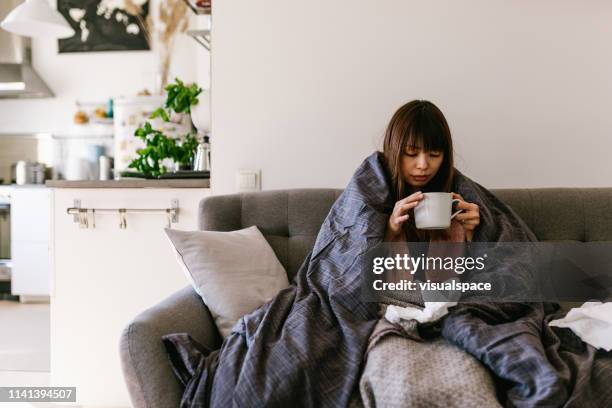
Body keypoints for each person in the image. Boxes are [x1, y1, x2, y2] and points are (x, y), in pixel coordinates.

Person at [381, 100, 481, 244]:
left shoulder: (458, 193)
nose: (423, 165)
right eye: (411, 153)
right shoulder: (375, 200)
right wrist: (391, 230)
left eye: (434, 154)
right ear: (393, 151)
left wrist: (472, 234)